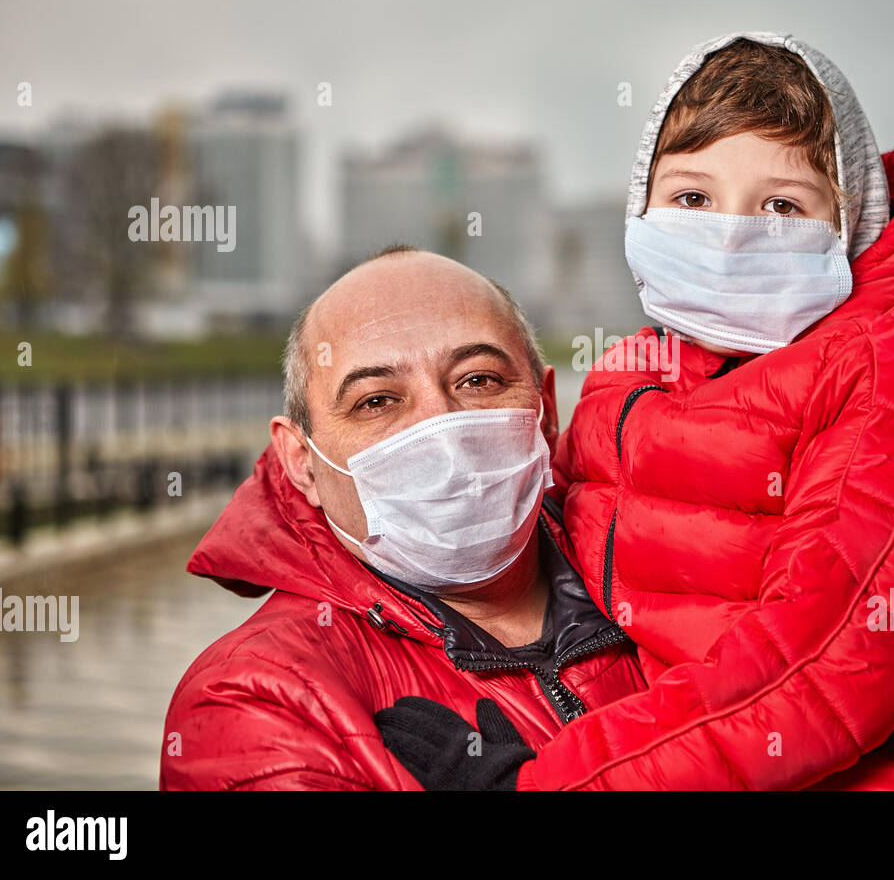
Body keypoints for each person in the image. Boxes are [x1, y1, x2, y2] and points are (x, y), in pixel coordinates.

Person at [376, 32, 894, 790]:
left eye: (781, 206)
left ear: (849, 229)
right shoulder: (626, 384)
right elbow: (537, 549)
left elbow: (826, 667)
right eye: (692, 198)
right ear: (642, 207)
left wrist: (553, 784)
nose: (731, 235)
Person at [160, 247, 646, 790]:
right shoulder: (259, 696)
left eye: (478, 380)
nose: (440, 429)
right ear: (303, 463)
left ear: (546, 410)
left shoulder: (672, 584)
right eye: (377, 401)